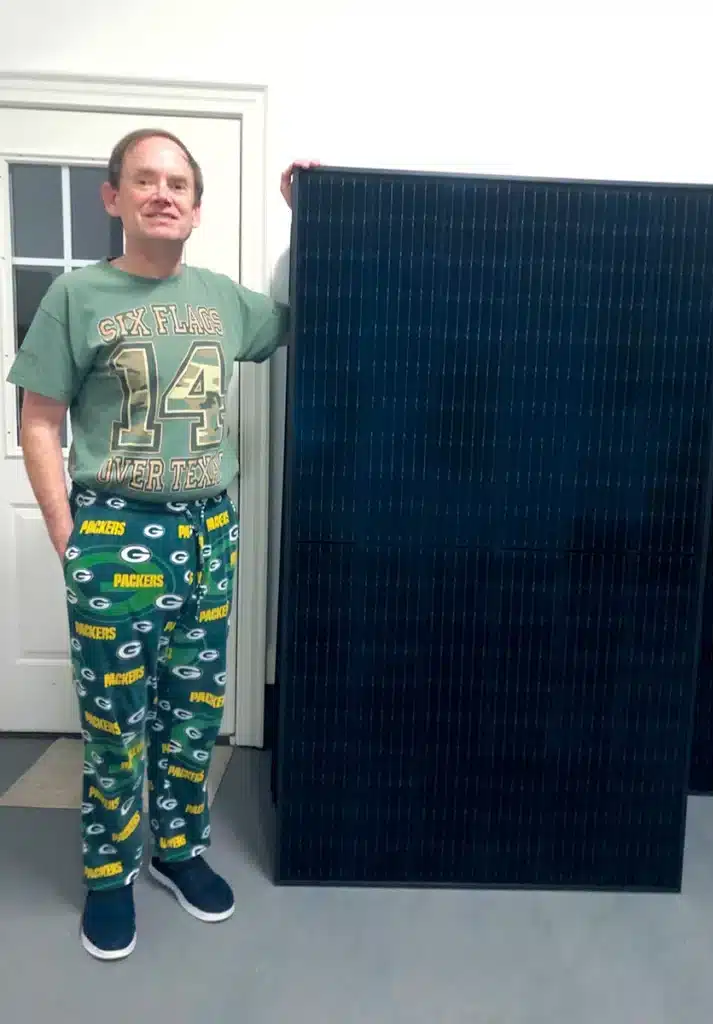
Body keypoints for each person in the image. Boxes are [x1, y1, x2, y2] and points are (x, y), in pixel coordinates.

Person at [6, 128, 315, 961]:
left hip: (209, 536)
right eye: (144, 179)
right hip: (116, 533)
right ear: (114, 198)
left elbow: (313, 308)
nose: (162, 193)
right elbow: (38, 417)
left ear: (197, 206)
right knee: (116, 722)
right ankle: (110, 874)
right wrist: (70, 534)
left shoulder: (223, 300)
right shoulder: (78, 297)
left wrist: (311, 216)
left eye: (178, 183)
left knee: (192, 716)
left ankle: (178, 851)